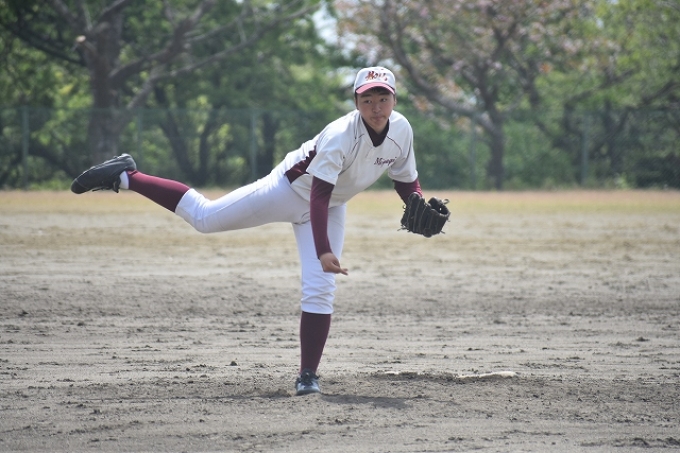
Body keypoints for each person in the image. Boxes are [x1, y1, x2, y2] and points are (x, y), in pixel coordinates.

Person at [71, 66, 425, 396]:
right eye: (367, 99)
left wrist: (418, 203)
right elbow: (318, 195)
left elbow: (405, 180)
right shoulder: (340, 135)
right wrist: (323, 250)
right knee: (205, 218)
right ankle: (127, 176)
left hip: (331, 206)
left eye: (383, 98)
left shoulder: (401, 130)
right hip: (288, 191)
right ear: (356, 102)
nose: (376, 107)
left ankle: (307, 376)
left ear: (394, 100)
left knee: (320, 288)